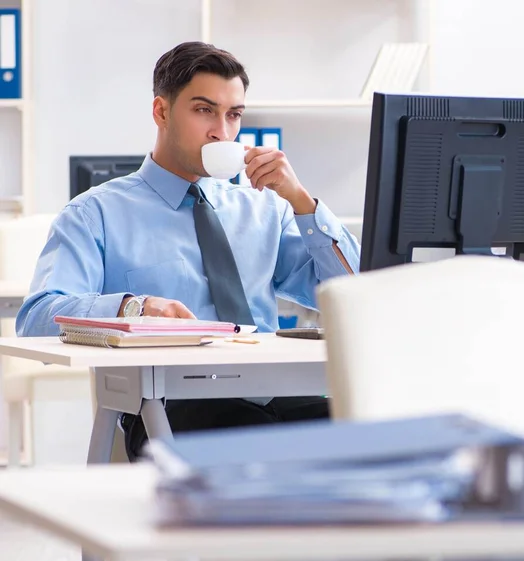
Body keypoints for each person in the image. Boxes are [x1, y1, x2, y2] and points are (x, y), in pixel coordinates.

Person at [16, 41, 360, 461]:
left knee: (381, 438)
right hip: (172, 408)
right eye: (204, 110)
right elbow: (35, 317)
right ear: (161, 112)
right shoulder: (95, 213)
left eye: (233, 115)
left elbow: (353, 293)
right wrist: (133, 309)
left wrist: (304, 204)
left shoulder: (267, 207)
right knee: (260, 448)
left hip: (280, 394)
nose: (222, 131)